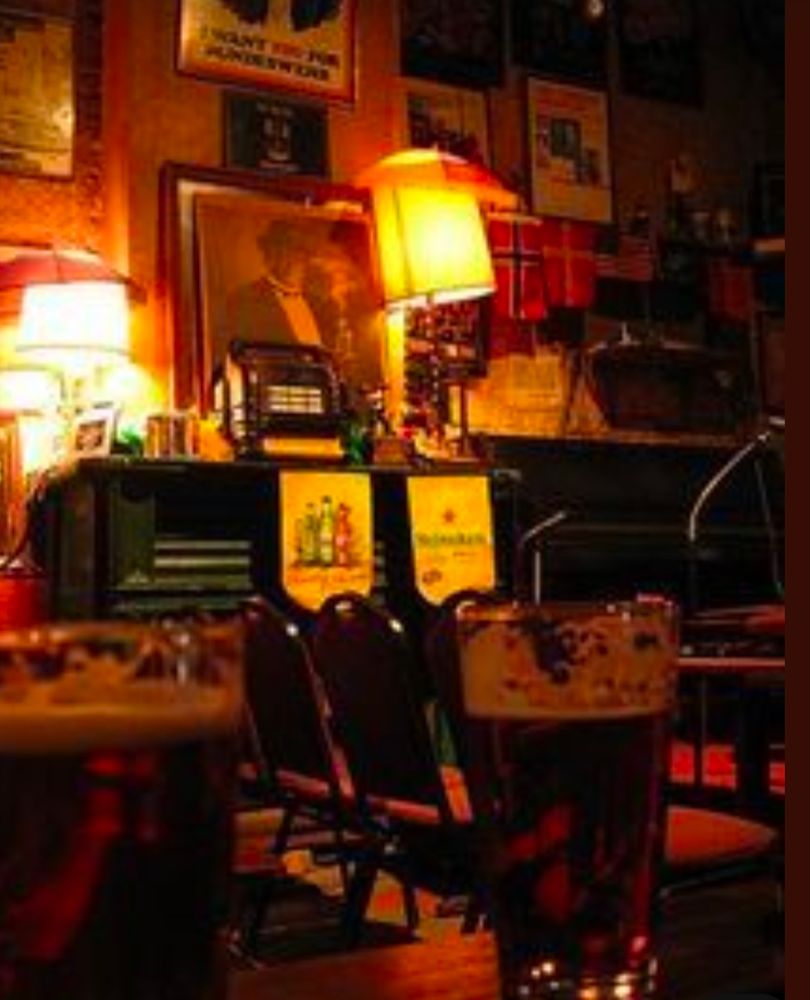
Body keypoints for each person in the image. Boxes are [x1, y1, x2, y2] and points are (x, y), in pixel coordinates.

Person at [220, 219, 324, 350]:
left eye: (299, 253)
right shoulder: (244, 300)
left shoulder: (319, 304)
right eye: (285, 252)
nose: (294, 260)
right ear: (270, 255)